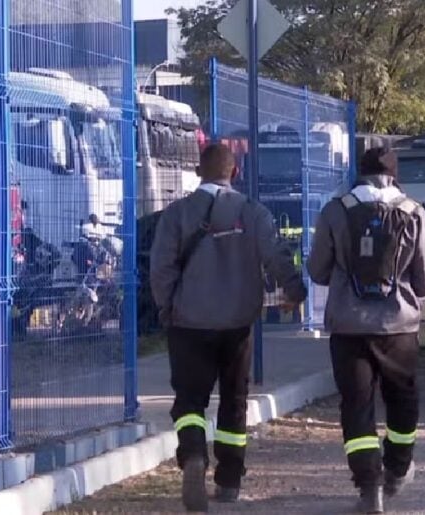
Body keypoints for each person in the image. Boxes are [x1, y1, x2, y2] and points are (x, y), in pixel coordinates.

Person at [150, 143, 307, 512]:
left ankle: (192, 455)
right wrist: (295, 291)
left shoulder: (176, 214)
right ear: (234, 172)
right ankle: (229, 480)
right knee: (234, 401)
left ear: (198, 173)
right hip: (238, 324)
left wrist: (168, 309)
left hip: (188, 322)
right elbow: (276, 256)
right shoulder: (253, 213)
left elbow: (160, 269)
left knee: (189, 400)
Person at [307, 147, 425, 514]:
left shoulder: (335, 211)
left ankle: (369, 487)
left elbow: (317, 271)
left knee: (356, 404)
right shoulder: (416, 214)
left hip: (348, 328)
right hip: (399, 328)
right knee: (402, 398)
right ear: (394, 175)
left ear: (360, 173)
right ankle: (397, 470)